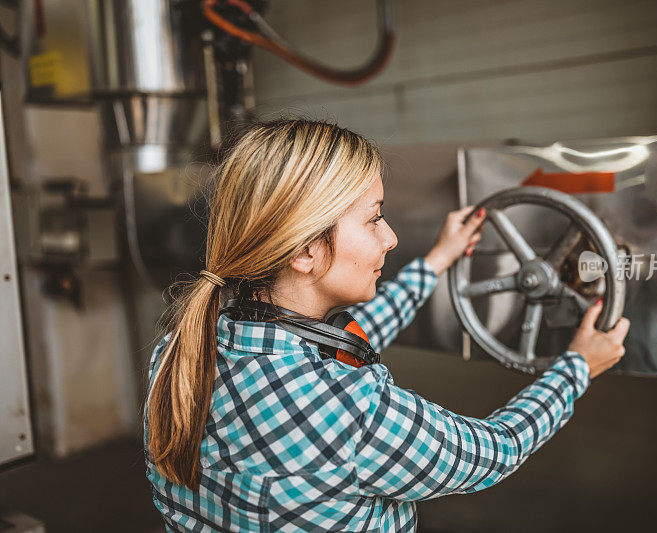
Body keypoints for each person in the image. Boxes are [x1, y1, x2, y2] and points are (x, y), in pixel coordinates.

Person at [143, 118, 630, 532]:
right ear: (304, 251)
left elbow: (347, 341)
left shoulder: (179, 351)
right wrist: (577, 367)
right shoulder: (350, 408)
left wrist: (437, 262)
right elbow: (495, 451)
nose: (392, 237)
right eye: (374, 219)